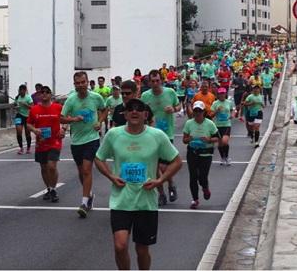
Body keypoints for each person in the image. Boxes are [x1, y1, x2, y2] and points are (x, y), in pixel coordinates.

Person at [94, 98, 182, 270]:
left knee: (142, 250)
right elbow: (98, 158)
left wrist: (160, 180)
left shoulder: (157, 136)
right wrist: (111, 177)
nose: (135, 112)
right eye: (130, 109)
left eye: (139, 109)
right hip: (121, 200)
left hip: (146, 202)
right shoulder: (114, 134)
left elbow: (177, 161)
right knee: (120, 246)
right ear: (125, 114)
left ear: (145, 114)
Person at [61, 72, 107, 218]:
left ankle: (84, 202)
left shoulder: (96, 97)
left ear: (87, 82)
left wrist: (99, 121)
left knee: (87, 170)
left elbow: (105, 109)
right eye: (78, 83)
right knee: (81, 172)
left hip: (92, 139)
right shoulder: (71, 100)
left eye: (83, 82)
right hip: (76, 141)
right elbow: (62, 118)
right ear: (74, 84)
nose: (81, 85)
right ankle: (90, 195)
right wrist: (74, 119)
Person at [140, 70, 181, 206]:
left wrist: (174, 109)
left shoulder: (170, 92)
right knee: (154, 166)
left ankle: (171, 183)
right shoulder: (145, 96)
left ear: (161, 80)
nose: (155, 83)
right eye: (153, 81)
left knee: (165, 166)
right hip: (151, 135)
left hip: (167, 134)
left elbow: (179, 105)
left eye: (158, 81)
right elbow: (141, 113)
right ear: (149, 82)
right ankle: (161, 194)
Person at [27, 86, 64, 203]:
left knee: (52, 166)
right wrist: (34, 130)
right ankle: (48, 188)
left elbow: (66, 119)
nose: (44, 94)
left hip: (55, 142)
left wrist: (64, 129)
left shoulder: (58, 107)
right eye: (42, 92)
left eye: (47, 92)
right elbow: (28, 124)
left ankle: (53, 189)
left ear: (50, 94)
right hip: (41, 143)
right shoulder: (34, 109)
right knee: (43, 167)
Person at [182, 101, 220, 209]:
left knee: (202, 176)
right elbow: (184, 140)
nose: (197, 113)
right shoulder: (189, 123)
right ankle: (195, 199)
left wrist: (209, 139)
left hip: (206, 153)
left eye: (200, 111)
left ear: (204, 112)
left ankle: (205, 187)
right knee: (193, 176)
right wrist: (188, 139)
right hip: (192, 152)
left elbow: (217, 138)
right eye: (195, 110)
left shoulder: (210, 123)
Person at [210, 88, 234, 166]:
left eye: (223, 93)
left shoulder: (229, 102)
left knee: (224, 141)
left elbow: (232, 110)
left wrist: (232, 115)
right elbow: (211, 115)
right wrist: (217, 110)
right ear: (218, 95)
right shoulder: (215, 103)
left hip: (227, 124)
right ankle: (222, 158)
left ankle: (226, 157)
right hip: (217, 125)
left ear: (225, 94)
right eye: (220, 93)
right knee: (220, 143)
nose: (222, 95)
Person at [14, 84, 33, 155]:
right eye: (20, 90)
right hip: (19, 115)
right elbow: (15, 105)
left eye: (22, 90)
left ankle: (28, 147)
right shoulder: (17, 97)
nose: (21, 92)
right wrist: (16, 107)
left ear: (25, 91)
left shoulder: (28, 98)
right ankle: (21, 148)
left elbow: (32, 107)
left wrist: (25, 105)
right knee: (18, 131)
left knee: (27, 133)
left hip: (27, 116)